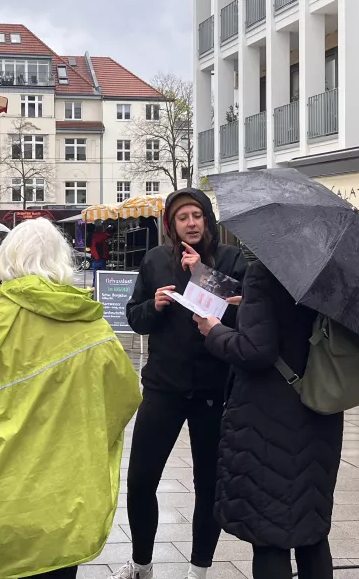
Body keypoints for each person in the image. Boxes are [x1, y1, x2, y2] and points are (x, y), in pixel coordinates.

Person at [0, 218, 142, 579]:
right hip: (56, 518)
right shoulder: (94, 331)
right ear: (61, 261)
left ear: (7, 260)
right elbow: (123, 399)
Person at [116, 189, 247, 579]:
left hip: (211, 389)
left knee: (207, 484)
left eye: (196, 215)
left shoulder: (230, 260)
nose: (190, 223)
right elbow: (134, 317)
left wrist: (199, 275)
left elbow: (242, 317)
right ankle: (141, 563)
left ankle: (199, 569)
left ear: (207, 220)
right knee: (141, 480)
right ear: (171, 226)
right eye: (182, 218)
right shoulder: (155, 260)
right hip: (163, 387)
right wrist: (151, 307)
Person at [194, 251, 343, 579]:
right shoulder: (331, 271)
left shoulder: (266, 270)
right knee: (311, 530)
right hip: (320, 409)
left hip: (270, 417)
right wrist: (248, 307)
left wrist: (213, 330)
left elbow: (256, 350)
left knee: (269, 533)